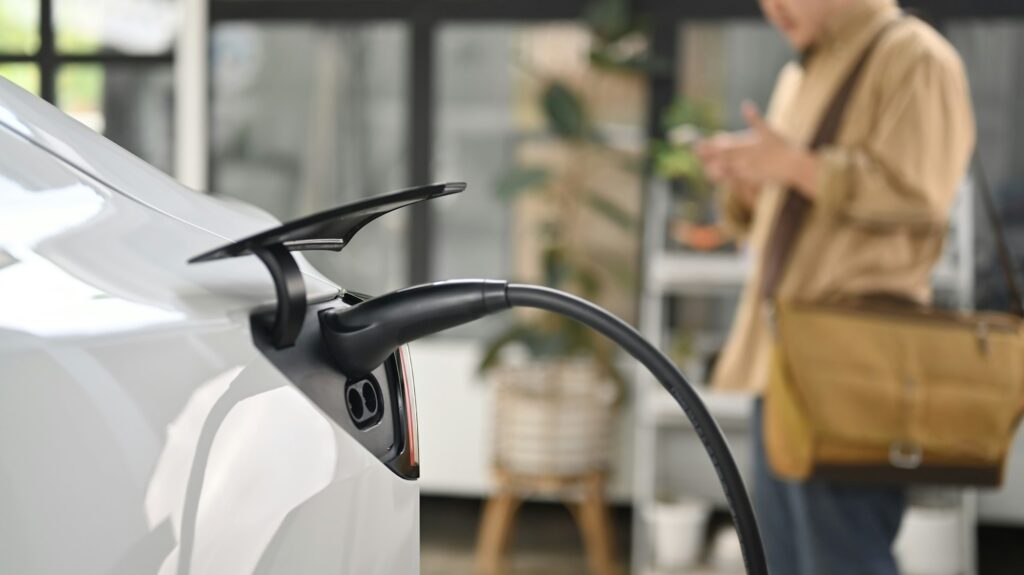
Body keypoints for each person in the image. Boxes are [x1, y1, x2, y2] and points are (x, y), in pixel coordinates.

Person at [696, 0, 975, 573]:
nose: (771, 10)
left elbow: (921, 197)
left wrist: (794, 166)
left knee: (842, 556)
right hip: (782, 361)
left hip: (852, 362)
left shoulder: (916, 58)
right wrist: (755, 183)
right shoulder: (802, 70)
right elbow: (800, 208)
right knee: (781, 557)